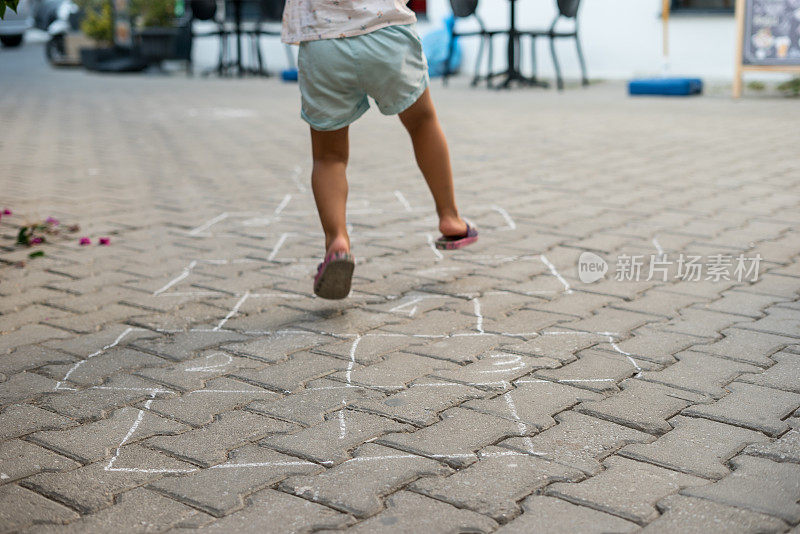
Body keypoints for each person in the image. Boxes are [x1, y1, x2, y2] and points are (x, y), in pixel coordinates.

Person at [282, 0, 478, 300]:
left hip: (323, 44)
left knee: (329, 157)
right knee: (422, 123)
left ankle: (337, 242)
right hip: (386, 32)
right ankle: (450, 216)